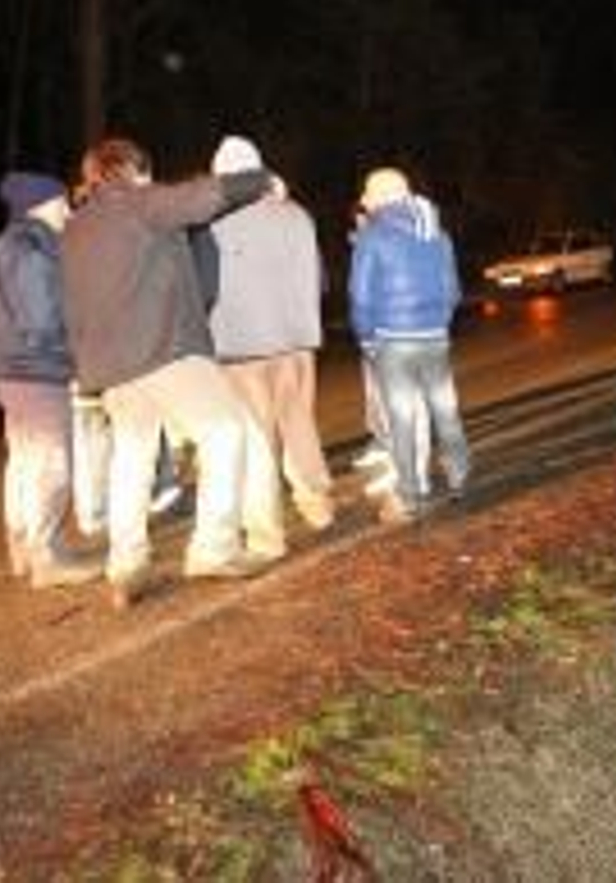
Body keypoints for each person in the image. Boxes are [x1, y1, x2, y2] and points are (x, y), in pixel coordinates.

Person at [62, 135, 277, 607]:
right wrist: (262, 180)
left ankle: (126, 563)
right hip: (164, 349)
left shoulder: (76, 228)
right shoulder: (137, 202)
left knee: (132, 458)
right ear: (133, 170)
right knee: (226, 430)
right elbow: (203, 197)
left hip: (111, 366)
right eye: (147, 172)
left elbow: (70, 305)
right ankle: (215, 548)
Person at [205, 134, 335, 540]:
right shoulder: (297, 215)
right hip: (295, 341)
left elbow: (204, 289)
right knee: (299, 422)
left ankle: (264, 529)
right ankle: (317, 503)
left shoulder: (212, 224)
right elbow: (319, 279)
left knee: (256, 439)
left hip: (239, 347)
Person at [0, 171, 103, 588]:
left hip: (18, 372)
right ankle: (46, 557)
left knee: (26, 462)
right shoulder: (29, 249)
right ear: (41, 205)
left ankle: (26, 549)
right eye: (61, 201)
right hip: (37, 372)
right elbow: (42, 322)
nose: (68, 209)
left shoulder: (14, 244)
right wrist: (79, 352)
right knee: (51, 464)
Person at [348, 167, 469, 523]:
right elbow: (454, 291)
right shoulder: (439, 234)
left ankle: (410, 495)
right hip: (435, 337)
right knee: (445, 409)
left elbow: (360, 298)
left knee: (402, 418)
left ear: (381, 197)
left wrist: (368, 340)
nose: (365, 204)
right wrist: (438, 323)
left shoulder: (372, 237)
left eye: (368, 196)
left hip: (392, 341)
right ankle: (459, 473)